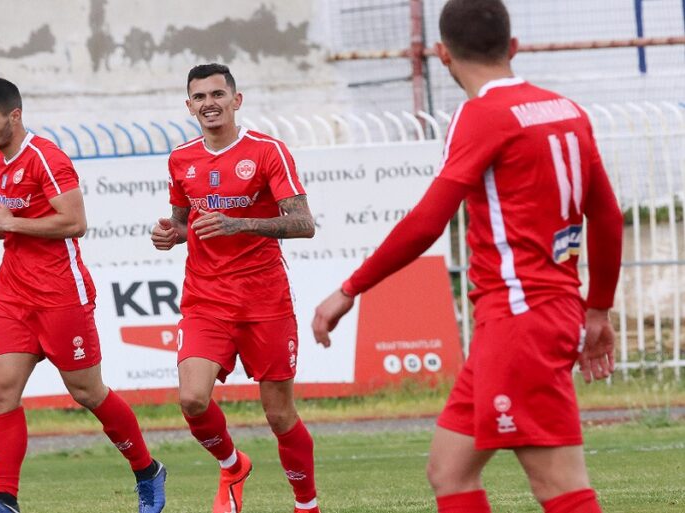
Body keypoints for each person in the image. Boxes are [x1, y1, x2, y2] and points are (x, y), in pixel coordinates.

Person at [312, 1, 624, 512]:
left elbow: (427, 222)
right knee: (450, 471)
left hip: (520, 318)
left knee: (558, 484)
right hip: (528, 316)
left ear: (442, 54)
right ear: (513, 46)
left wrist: (350, 289)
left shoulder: (481, 115)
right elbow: (607, 215)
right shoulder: (566, 110)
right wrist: (598, 308)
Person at [0, 78, 166, 513]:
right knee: (1, 389)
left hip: (60, 295)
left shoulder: (46, 158)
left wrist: (10, 225)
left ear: (15, 115)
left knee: (87, 392)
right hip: (13, 296)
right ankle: (4, 500)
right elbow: (21, 222)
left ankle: (148, 471)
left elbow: (74, 223)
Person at [151, 63, 321, 513]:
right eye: (199, 97)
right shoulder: (181, 158)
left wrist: (239, 223)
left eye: (217, 94)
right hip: (205, 299)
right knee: (192, 399)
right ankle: (232, 465)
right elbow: (185, 223)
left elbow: (303, 224)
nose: (209, 103)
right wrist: (170, 234)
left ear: (236, 100)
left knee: (279, 415)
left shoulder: (267, 151)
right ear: (189, 106)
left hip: (265, 299)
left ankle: (307, 505)